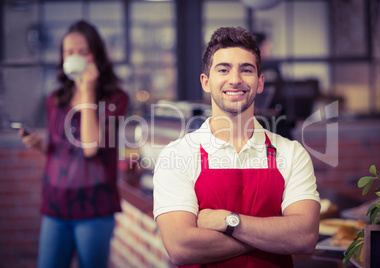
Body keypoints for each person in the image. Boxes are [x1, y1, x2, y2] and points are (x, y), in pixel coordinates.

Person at [153, 26, 320, 267]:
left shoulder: (292, 153)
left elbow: (305, 238)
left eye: (246, 70)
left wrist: (229, 222)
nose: (235, 79)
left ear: (260, 82)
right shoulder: (176, 155)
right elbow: (181, 248)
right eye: (224, 69)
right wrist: (275, 234)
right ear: (206, 82)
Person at [18, 20, 129, 268]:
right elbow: (62, 150)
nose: (75, 57)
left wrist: (87, 92)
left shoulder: (115, 98)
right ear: (62, 56)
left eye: (83, 51)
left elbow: (90, 148)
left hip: (94, 206)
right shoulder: (55, 99)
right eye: (69, 52)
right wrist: (39, 145)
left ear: (96, 55)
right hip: (55, 203)